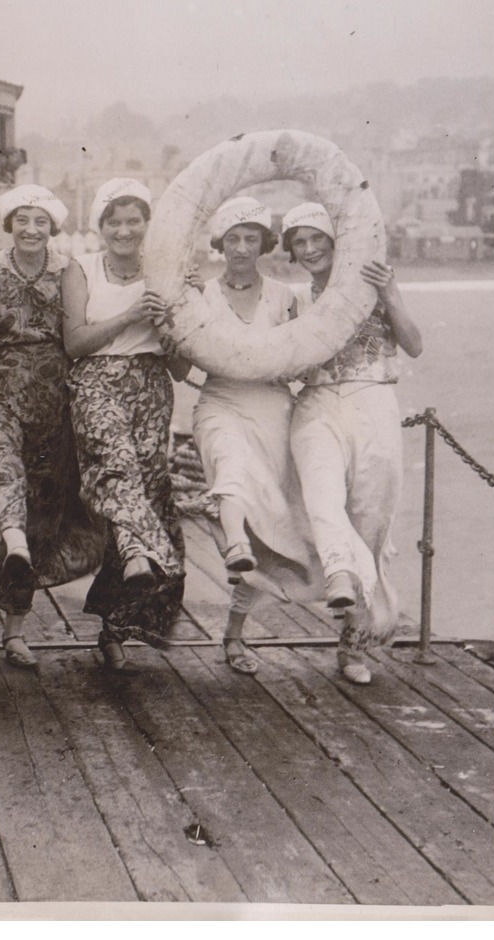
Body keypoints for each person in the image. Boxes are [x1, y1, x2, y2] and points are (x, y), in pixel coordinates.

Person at [283, 201, 424, 684]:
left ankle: (352, 645)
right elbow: (283, 363)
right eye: (299, 242)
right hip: (318, 403)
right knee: (323, 500)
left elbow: (414, 343)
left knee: (370, 523)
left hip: (375, 403)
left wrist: (391, 294)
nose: (309, 248)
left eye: (316, 237)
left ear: (334, 239)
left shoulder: (374, 282)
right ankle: (338, 573)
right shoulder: (295, 301)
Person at [0, 184, 103, 669]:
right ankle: (13, 540)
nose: (31, 229)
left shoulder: (69, 273)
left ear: (53, 228)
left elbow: (82, 329)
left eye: (40, 221)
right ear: (10, 225)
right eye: (22, 219)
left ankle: (15, 630)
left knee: (44, 511)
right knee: (3, 466)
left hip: (54, 400)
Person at [185, 197, 320, 677]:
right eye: (232, 239)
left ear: (264, 243)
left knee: (276, 531)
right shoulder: (198, 293)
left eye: (251, 238)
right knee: (231, 466)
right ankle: (233, 543)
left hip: (275, 410)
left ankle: (234, 633)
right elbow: (181, 367)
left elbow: (307, 360)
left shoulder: (287, 297)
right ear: (219, 245)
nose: (241, 248)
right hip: (220, 403)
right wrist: (173, 319)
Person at [62, 178, 192, 674]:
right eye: (114, 221)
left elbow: (180, 366)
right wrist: (131, 314)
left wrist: (169, 326)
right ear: (100, 226)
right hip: (96, 381)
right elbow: (74, 343)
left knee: (150, 493)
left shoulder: (167, 274)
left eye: (133, 219)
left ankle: (114, 631)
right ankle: (140, 550)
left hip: (152, 387)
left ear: (147, 225)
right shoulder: (83, 269)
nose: (124, 229)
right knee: (117, 469)